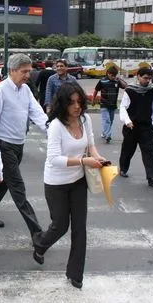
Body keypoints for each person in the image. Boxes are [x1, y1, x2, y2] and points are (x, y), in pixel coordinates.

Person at [33, 83, 107, 290]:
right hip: (56, 182)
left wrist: (99, 158)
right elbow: (54, 159)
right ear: (63, 104)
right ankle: (40, 244)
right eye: (72, 103)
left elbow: (90, 144)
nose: (77, 107)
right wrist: (84, 162)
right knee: (60, 225)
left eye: (80, 102)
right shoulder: (56, 125)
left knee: (80, 228)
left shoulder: (85, 119)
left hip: (78, 181)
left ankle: (76, 274)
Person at [0, 54, 48, 236]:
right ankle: (37, 234)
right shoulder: (0, 90)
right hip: (4, 145)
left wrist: (53, 131)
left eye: (29, 71)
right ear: (12, 71)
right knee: (18, 188)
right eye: (24, 71)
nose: (28, 75)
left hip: (19, 144)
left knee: (4, 182)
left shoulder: (25, 90)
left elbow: (38, 114)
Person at [118, 68, 153, 187]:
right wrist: (127, 121)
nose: (147, 81)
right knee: (128, 149)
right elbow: (123, 107)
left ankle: (152, 176)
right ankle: (123, 168)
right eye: (145, 78)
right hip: (131, 127)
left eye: (149, 78)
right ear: (138, 76)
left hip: (146, 127)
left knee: (149, 151)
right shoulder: (130, 90)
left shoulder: (152, 90)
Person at [92, 65, 127, 143]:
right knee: (107, 120)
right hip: (104, 104)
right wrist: (93, 100)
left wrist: (119, 79)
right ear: (107, 73)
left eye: (114, 75)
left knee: (110, 120)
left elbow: (126, 86)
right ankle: (108, 136)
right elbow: (96, 90)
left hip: (113, 105)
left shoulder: (117, 81)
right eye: (111, 75)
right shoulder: (102, 81)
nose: (112, 76)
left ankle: (104, 133)